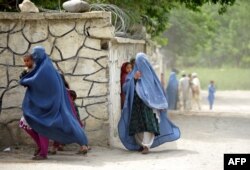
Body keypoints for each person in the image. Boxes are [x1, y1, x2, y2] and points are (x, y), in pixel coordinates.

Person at [19, 46, 88, 160]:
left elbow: (36, 81)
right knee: (61, 123)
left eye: (35, 55)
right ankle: (43, 148)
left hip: (49, 104)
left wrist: (23, 80)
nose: (34, 58)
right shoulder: (43, 66)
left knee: (45, 125)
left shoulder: (45, 68)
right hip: (46, 103)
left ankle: (44, 151)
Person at [118, 53, 180, 154]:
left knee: (147, 126)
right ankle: (141, 145)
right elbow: (125, 88)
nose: (141, 64)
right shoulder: (133, 74)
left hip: (148, 106)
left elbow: (158, 89)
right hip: (136, 106)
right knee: (137, 127)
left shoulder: (151, 75)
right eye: (139, 62)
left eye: (143, 62)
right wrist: (134, 79)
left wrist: (160, 103)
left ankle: (146, 146)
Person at [19, 53, 49, 160]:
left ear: (33, 60)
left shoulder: (39, 71)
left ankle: (43, 153)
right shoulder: (26, 71)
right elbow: (23, 83)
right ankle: (40, 146)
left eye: (28, 61)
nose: (26, 63)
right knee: (24, 123)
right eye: (25, 61)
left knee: (41, 127)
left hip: (41, 102)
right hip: (31, 101)